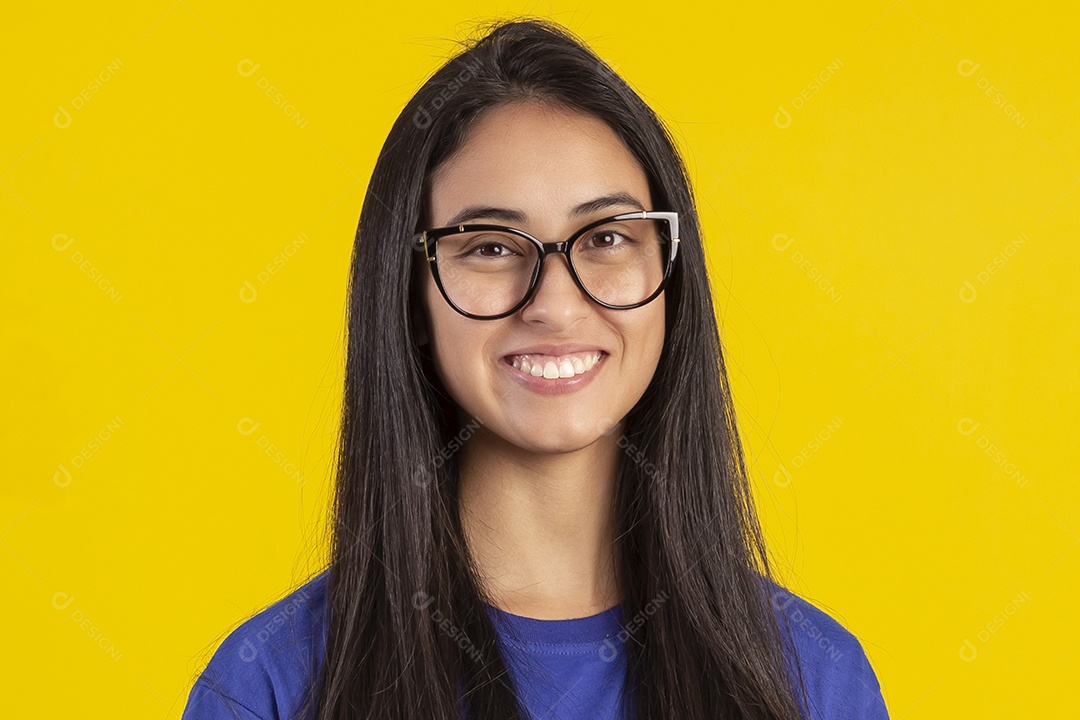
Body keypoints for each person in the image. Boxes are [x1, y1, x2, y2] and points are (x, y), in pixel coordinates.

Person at [181, 17, 889, 720]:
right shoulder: (269, 685)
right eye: (490, 247)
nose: (555, 302)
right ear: (410, 296)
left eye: (608, 237)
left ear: (672, 280)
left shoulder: (814, 679)